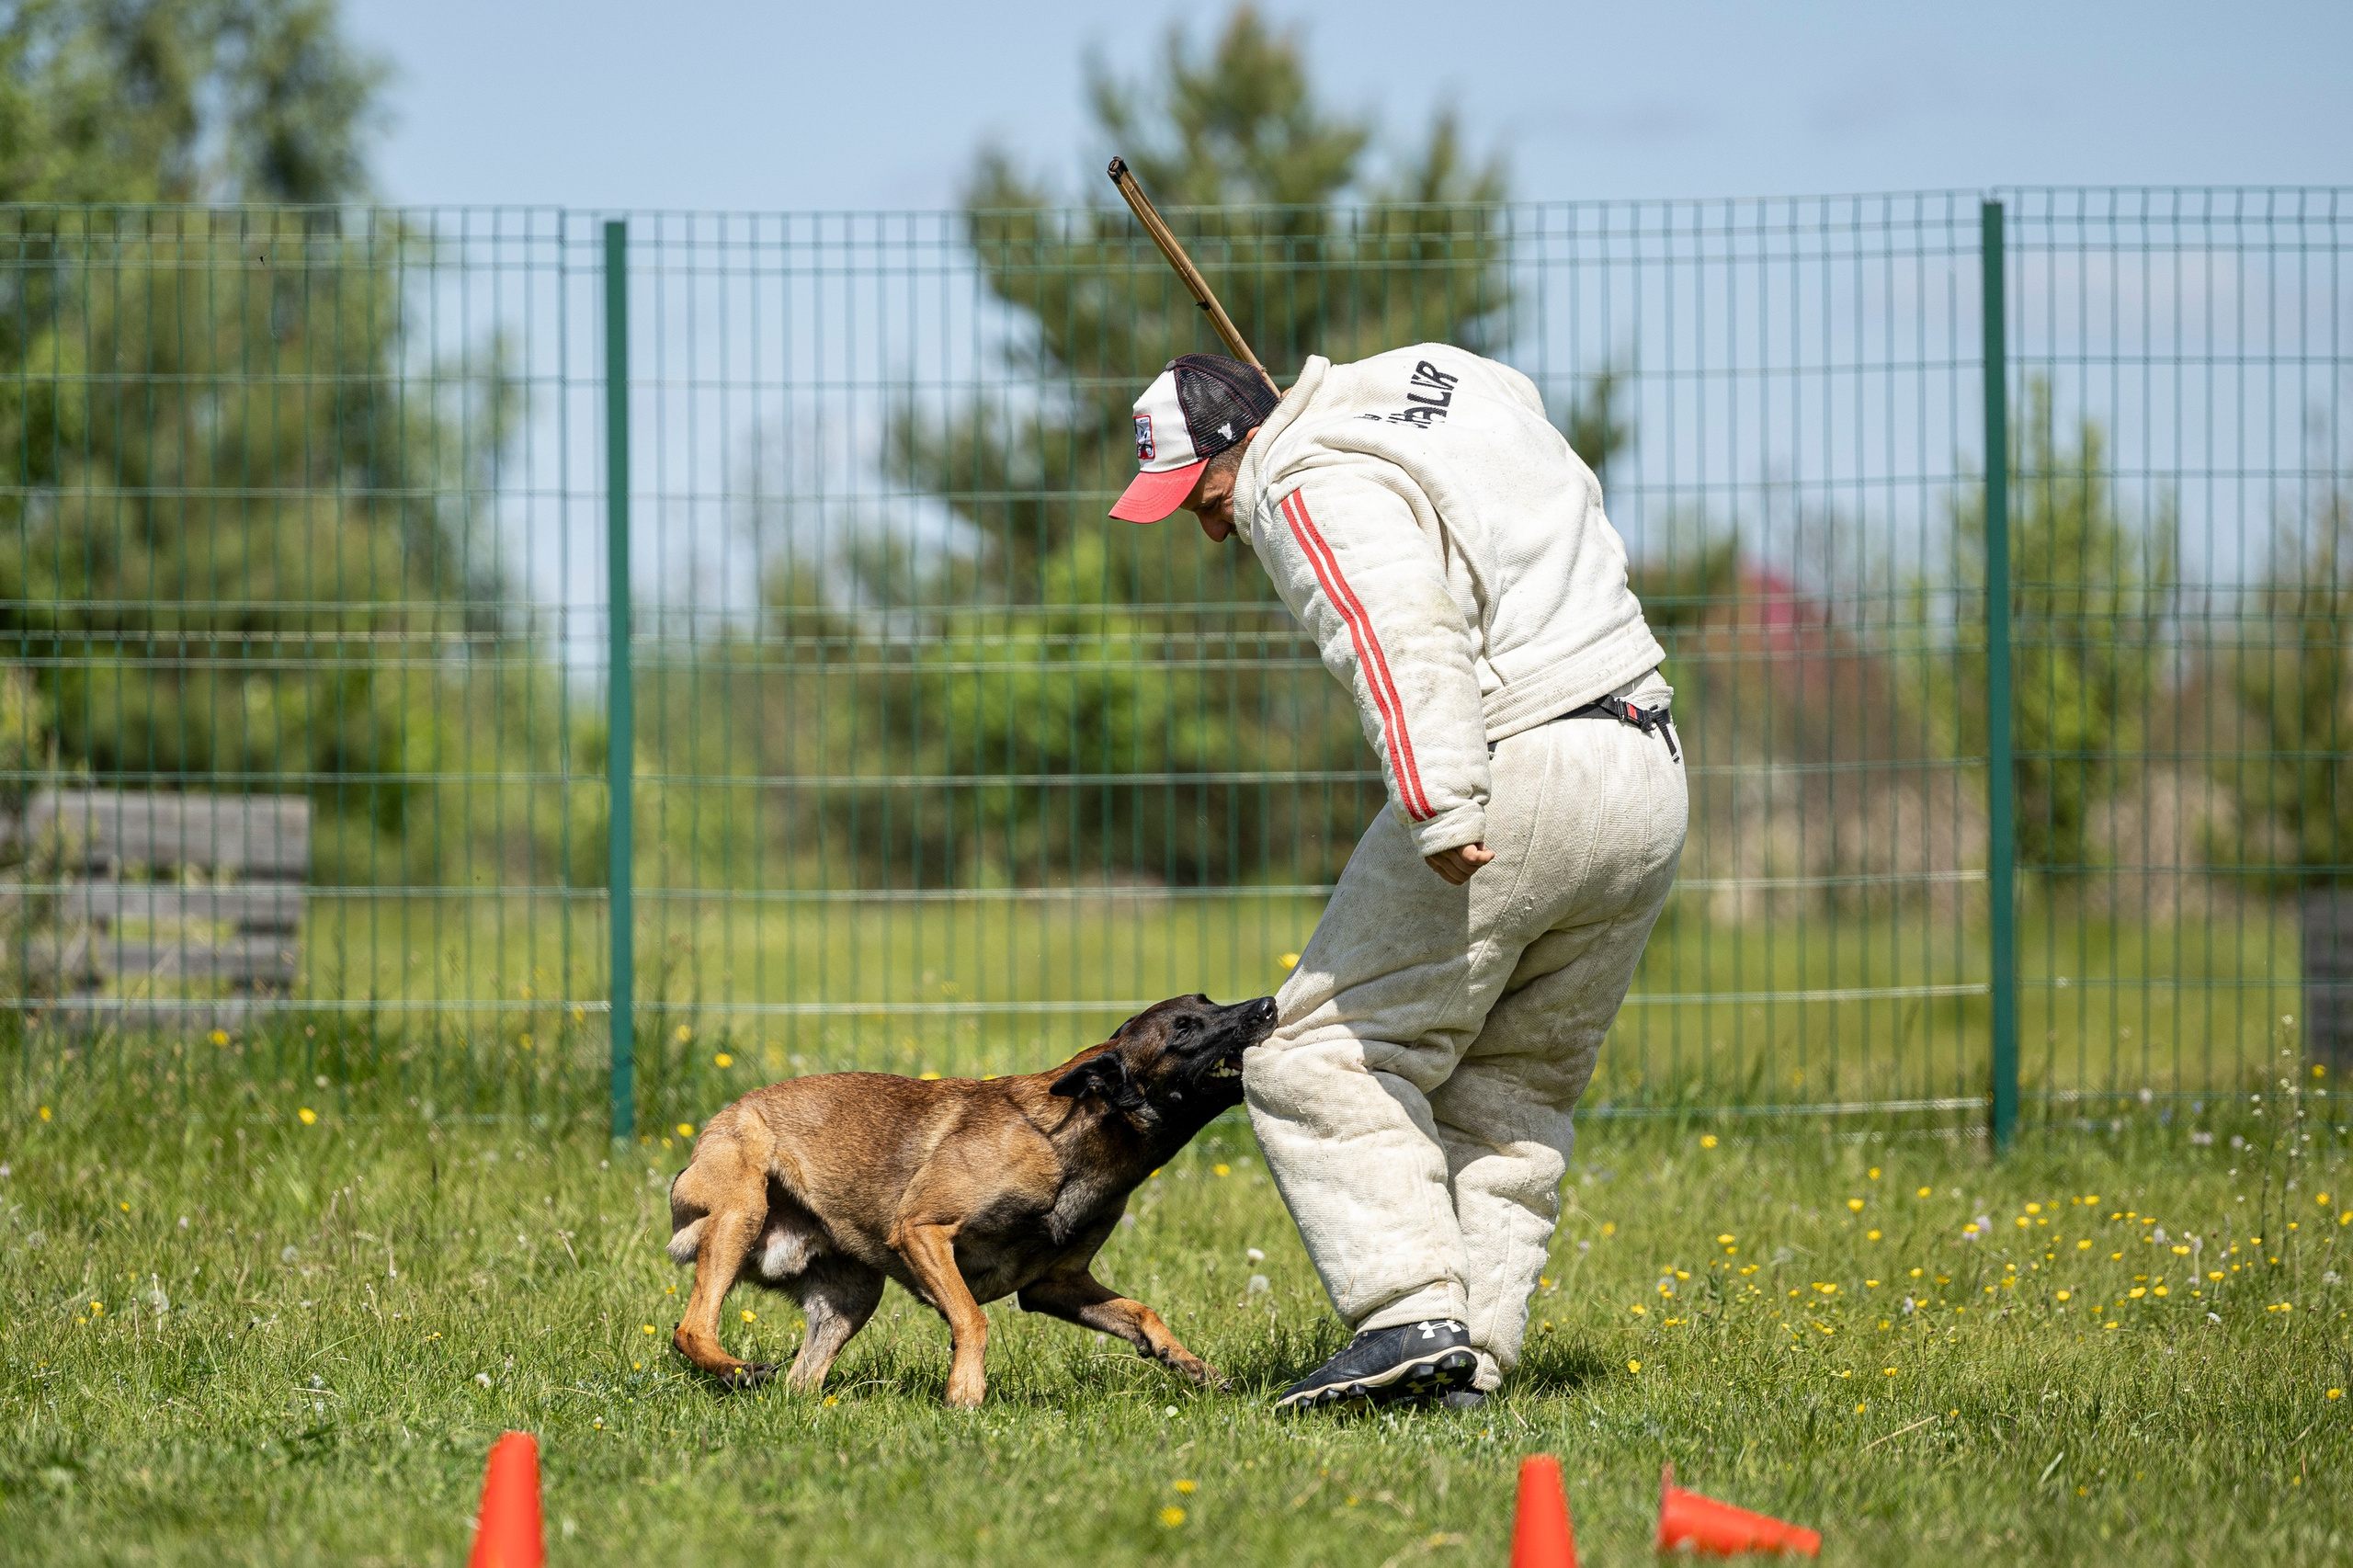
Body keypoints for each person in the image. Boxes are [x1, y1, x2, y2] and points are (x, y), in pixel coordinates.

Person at [1109, 348, 1687, 1412]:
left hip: (1518, 760)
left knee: (1310, 1053)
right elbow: (1532, 424)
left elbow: (1390, 619)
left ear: (1243, 447)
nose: (1209, 526)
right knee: (1511, 1091)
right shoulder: (1437, 379)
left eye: (1203, 496)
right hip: (1647, 760)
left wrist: (1438, 794)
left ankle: (1405, 1318)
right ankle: (1468, 1355)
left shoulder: (1296, 474)